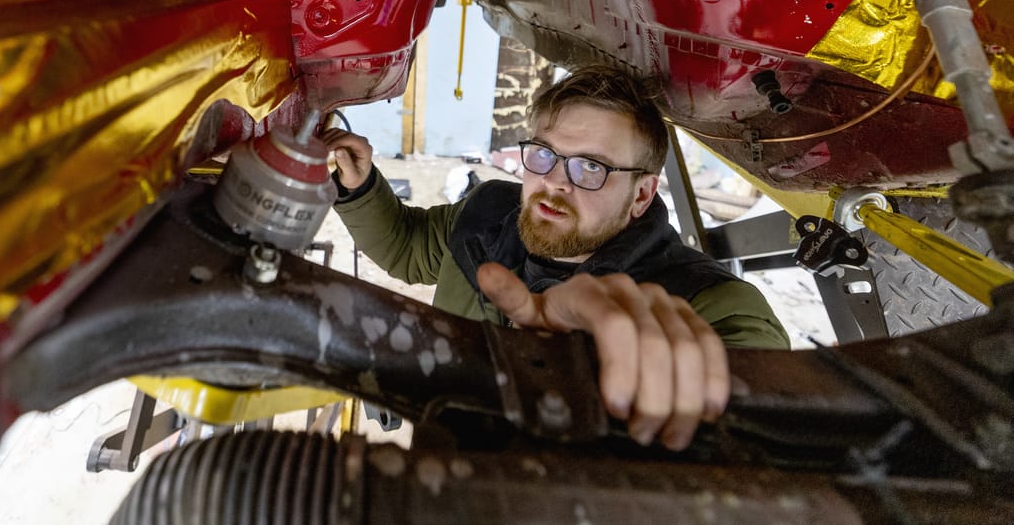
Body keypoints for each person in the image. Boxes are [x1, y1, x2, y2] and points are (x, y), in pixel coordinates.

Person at [322, 63, 789, 451]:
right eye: (544, 154)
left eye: (591, 166)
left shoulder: (712, 304)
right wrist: (360, 188)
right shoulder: (487, 217)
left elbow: (761, 449)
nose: (555, 182)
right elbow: (408, 248)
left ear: (642, 194)